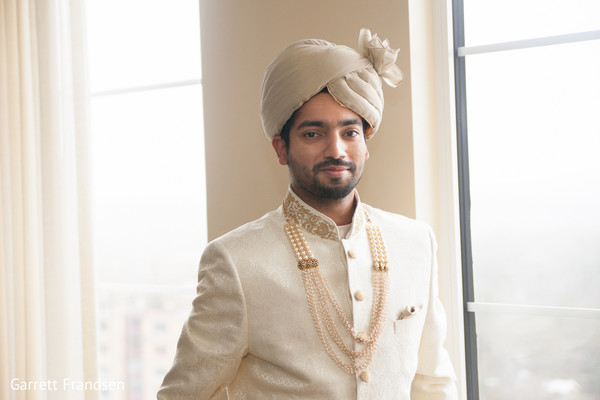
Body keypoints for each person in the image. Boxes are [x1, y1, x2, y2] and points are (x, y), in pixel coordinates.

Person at [157, 28, 457, 400]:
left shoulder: (416, 242)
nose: (337, 150)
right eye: (313, 134)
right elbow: (184, 394)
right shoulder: (235, 262)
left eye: (350, 132)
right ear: (281, 148)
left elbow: (433, 381)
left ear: (366, 144)